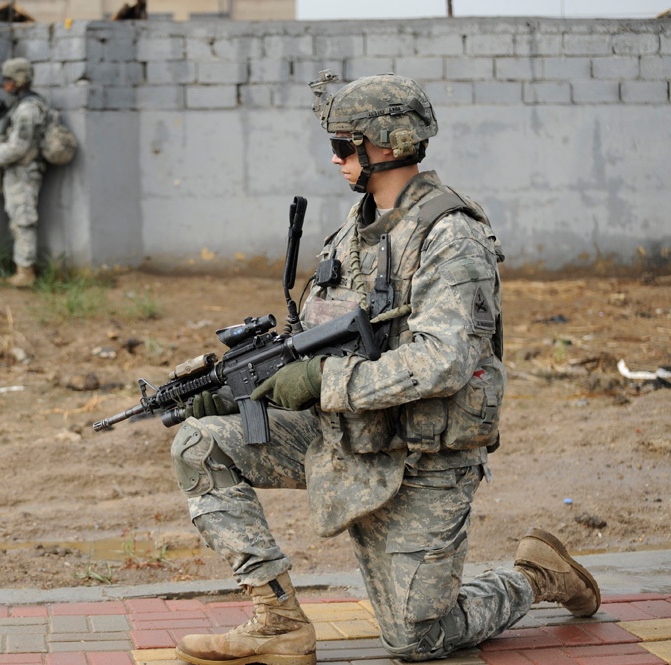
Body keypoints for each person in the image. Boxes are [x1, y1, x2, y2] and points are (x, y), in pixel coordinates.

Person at [169, 72, 600, 665]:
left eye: (346, 146)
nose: (335, 158)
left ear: (390, 143)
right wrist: (246, 389)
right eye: (334, 145)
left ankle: (536, 575)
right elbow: (317, 339)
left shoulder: (451, 236)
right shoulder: (352, 230)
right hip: (347, 435)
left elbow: (444, 361)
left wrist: (323, 381)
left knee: (419, 640)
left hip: (422, 458)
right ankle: (277, 621)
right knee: (200, 443)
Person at [0, 57, 48, 289]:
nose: (5, 85)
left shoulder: (27, 109)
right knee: (17, 217)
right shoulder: (20, 105)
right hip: (17, 171)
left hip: (24, 171)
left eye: (9, 80)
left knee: (23, 218)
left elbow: (19, 146)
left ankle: (26, 272)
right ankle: (22, 268)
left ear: (20, 80)